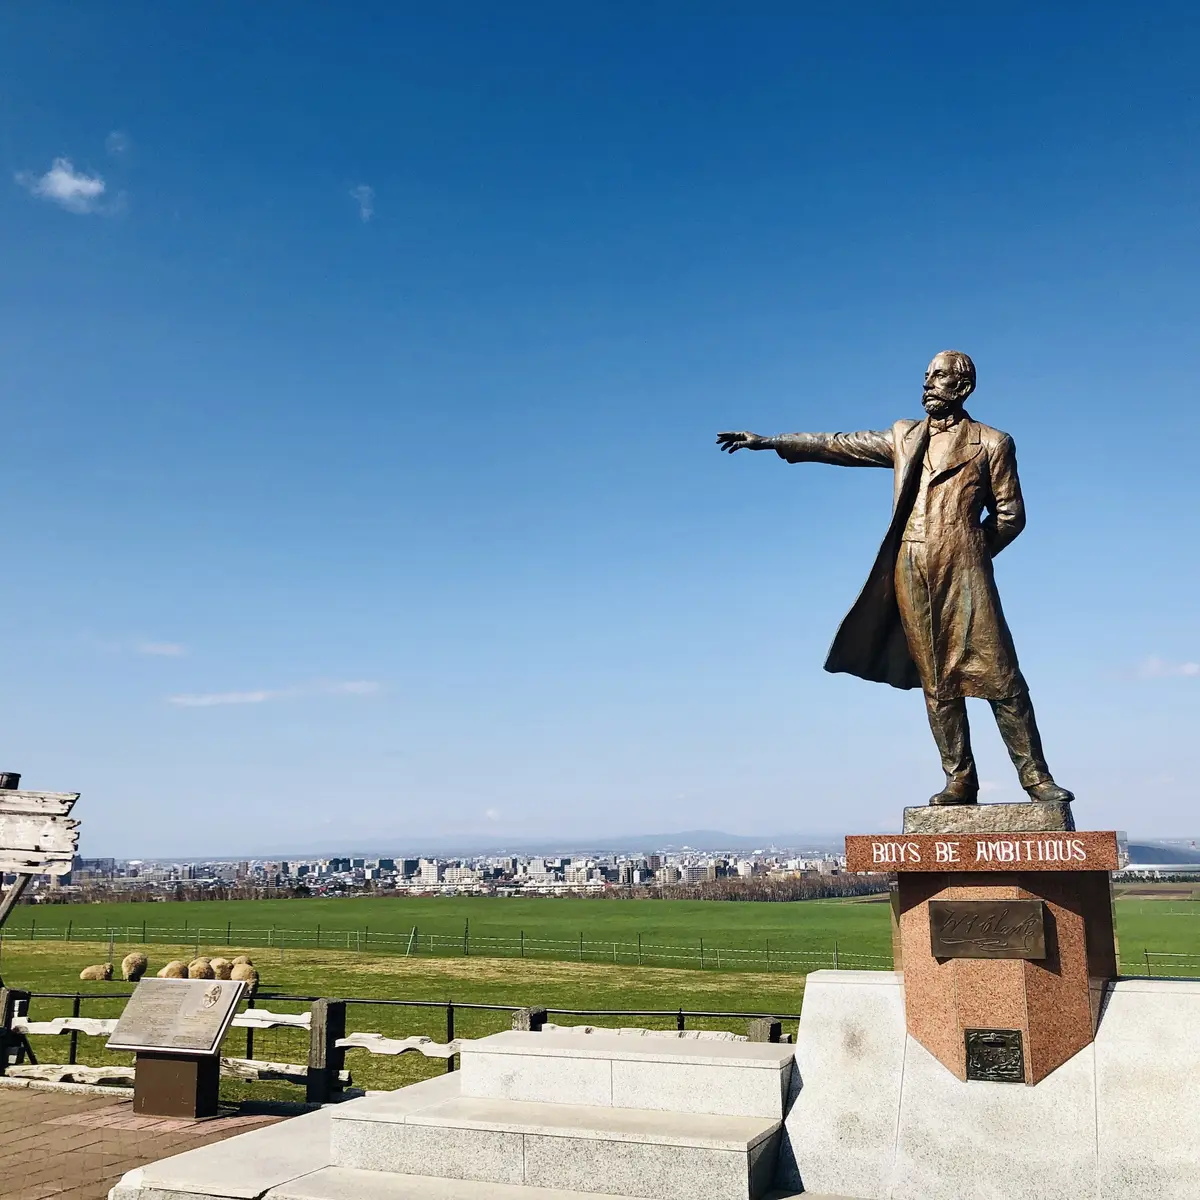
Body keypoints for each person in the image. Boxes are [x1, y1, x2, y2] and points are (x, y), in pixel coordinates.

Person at [717, 351, 1073, 807]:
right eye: (926, 376)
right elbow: (841, 444)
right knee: (936, 681)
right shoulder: (907, 436)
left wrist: (970, 551)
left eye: (938, 376)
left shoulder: (992, 443)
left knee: (1001, 677)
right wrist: (770, 441)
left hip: (965, 570)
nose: (927, 384)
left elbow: (1009, 516)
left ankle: (1036, 778)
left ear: (962, 388)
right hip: (910, 569)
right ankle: (959, 780)